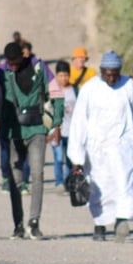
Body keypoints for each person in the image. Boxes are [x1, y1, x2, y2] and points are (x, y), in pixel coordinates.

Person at [0, 42, 63, 240]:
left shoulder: (39, 66)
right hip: (11, 132)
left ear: (23, 55)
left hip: (36, 129)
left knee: (37, 174)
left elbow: (56, 93)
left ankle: (34, 222)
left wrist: (56, 122)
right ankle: (18, 224)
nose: (13, 65)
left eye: (16, 61)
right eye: (10, 62)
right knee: (15, 180)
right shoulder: (1, 72)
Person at [67, 51, 133, 243]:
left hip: (124, 147)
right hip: (97, 149)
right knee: (99, 186)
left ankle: (122, 222)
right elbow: (79, 122)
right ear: (101, 71)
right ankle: (100, 224)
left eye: (115, 73)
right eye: (107, 73)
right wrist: (76, 158)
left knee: (125, 183)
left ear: (120, 71)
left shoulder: (129, 86)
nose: (111, 77)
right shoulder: (90, 89)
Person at [50, 60, 78, 192]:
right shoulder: (52, 91)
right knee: (58, 158)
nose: (63, 78)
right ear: (56, 76)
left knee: (70, 158)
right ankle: (59, 182)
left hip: (72, 131)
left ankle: (67, 181)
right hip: (56, 131)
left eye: (66, 75)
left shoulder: (75, 90)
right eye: (61, 76)